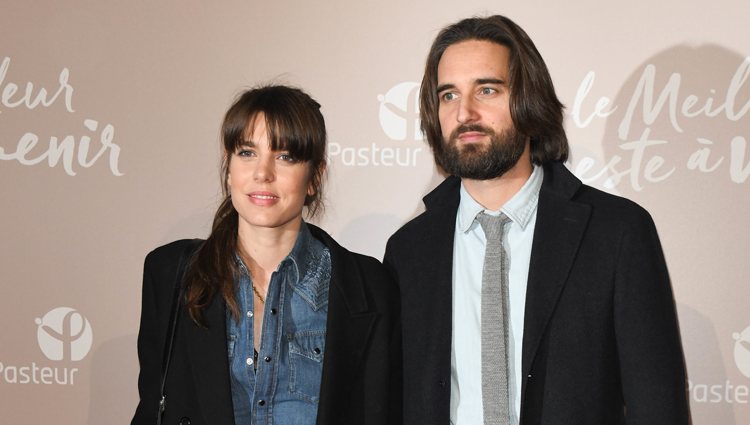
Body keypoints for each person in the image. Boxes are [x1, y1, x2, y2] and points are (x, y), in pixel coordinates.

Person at [383, 15, 689, 425]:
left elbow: (658, 407)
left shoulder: (617, 233)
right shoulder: (409, 251)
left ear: (529, 100)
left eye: (487, 89)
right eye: (449, 95)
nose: (465, 112)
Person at [132, 85, 401, 425]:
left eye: (284, 156)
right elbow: (151, 407)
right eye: (247, 153)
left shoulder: (369, 288)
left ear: (314, 178)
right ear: (228, 169)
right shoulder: (171, 275)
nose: (263, 173)